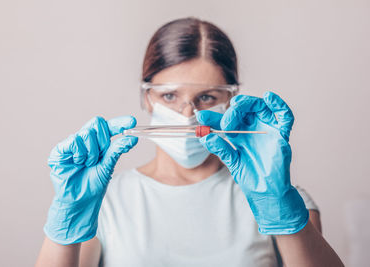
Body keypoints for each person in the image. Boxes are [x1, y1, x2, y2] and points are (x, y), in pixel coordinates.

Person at [36, 17, 344, 267]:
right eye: (169, 95)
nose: (187, 114)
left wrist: (280, 209)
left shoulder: (281, 198)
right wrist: (64, 225)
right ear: (146, 97)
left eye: (206, 97)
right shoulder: (103, 201)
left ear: (231, 100)